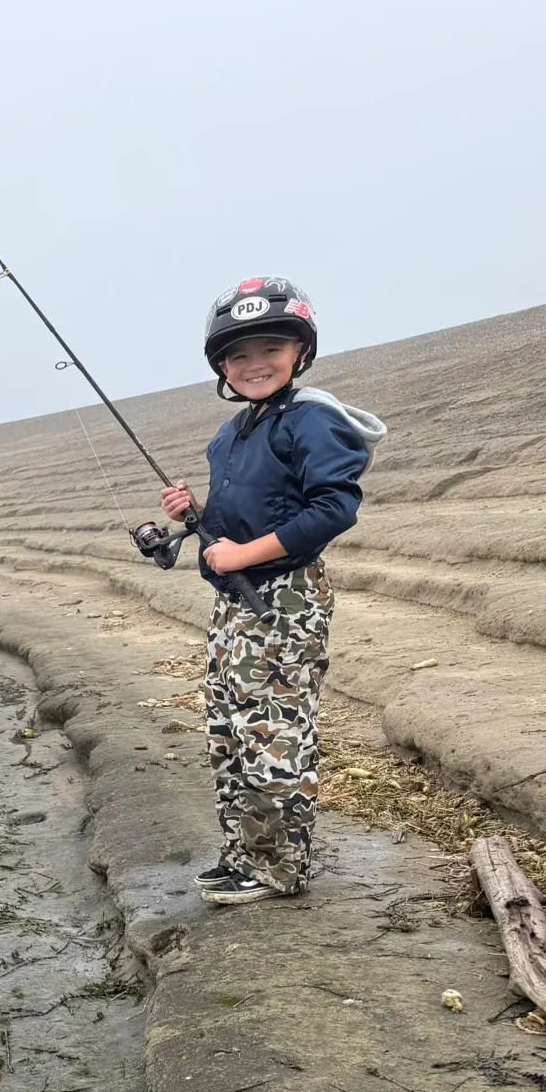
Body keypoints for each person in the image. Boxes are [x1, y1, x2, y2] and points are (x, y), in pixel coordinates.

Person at [161, 278, 386, 905]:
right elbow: (244, 521)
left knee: (274, 734)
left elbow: (334, 509)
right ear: (221, 366)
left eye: (270, 349)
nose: (254, 364)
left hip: (285, 598)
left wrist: (245, 554)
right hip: (235, 603)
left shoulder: (312, 419)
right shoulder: (231, 433)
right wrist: (195, 513)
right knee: (230, 732)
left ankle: (280, 868)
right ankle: (244, 856)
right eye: (238, 355)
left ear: (300, 353)